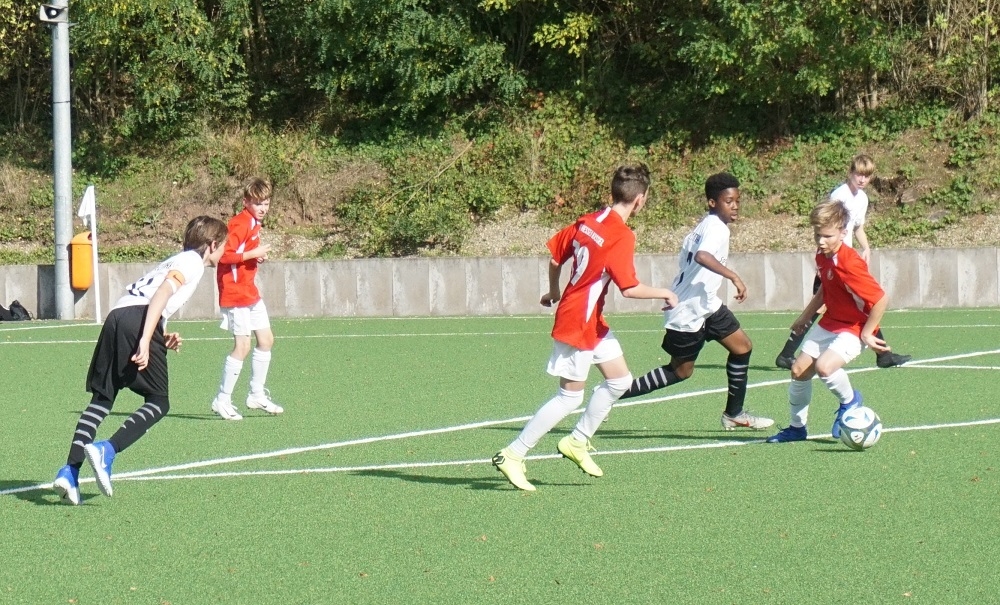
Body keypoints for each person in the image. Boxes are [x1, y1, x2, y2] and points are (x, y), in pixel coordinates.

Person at [492, 164, 678, 491]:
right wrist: (665, 292)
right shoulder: (621, 235)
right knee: (569, 398)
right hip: (578, 322)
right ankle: (512, 454)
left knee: (620, 380)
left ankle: (577, 441)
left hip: (591, 320)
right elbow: (629, 288)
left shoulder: (589, 220)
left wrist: (553, 290)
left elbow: (555, 258)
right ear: (640, 200)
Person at [52, 216, 229, 504]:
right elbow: (161, 293)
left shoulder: (175, 260)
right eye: (223, 246)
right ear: (212, 245)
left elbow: (150, 298)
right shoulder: (193, 262)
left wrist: (162, 334)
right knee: (159, 402)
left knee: (102, 400)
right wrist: (146, 339)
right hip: (138, 321)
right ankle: (107, 450)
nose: (223, 252)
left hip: (118, 317)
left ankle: (69, 472)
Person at [616, 172, 773, 430]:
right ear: (712, 202)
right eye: (728, 201)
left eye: (737, 201)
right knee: (681, 371)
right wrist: (734, 276)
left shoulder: (703, 226)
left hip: (707, 305)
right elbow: (702, 256)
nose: (735, 206)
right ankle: (612, 395)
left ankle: (734, 413)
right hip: (688, 310)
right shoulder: (716, 228)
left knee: (742, 347)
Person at [766, 200, 891, 443]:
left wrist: (867, 333)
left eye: (827, 236)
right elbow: (826, 288)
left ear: (843, 232)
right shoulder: (823, 255)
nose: (821, 241)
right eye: (817, 235)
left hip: (854, 326)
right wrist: (804, 317)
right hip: (831, 321)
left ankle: (850, 401)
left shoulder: (850, 262)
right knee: (798, 370)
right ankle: (797, 429)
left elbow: (880, 299)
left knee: (825, 367)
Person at [774, 154, 910, 370]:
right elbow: (825, 227)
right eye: (858, 174)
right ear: (850, 172)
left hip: (845, 261)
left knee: (862, 304)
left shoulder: (862, 198)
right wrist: (824, 261)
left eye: (867, 176)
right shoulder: (839, 195)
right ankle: (787, 353)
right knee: (827, 305)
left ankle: (883, 355)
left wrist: (866, 248)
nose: (862, 179)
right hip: (833, 260)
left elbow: (857, 227)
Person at [210, 178, 283, 420]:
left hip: (249, 292)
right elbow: (223, 256)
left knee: (266, 340)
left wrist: (254, 257)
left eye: (266, 203)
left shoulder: (254, 223)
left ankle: (256, 394)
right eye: (258, 203)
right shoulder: (239, 223)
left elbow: (241, 255)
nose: (263, 208)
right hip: (235, 294)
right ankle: (222, 399)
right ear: (246, 202)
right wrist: (253, 253)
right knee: (242, 347)